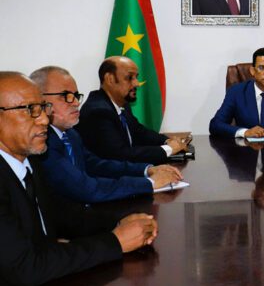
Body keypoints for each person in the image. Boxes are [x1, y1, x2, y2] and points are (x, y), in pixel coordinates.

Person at [0, 72, 158, 286]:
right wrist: (115, 242)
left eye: (43, 108)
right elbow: (27, 267)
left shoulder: (29, 160)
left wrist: (120, 222)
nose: (44, 119)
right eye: (30, 110)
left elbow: (60, 215)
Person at [30, 66, 182, 204]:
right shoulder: (42, 142)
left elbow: (96, 165)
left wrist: (146, 170)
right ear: (39, 100)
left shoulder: (70, 134)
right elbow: (86, 188)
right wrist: (150, 183)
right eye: (66, 96)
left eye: (76, 95)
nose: (76, 103)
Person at [76, 57, 189, 165]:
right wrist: (169, 149)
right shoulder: (98, 112)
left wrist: (168, 141)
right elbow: (120, 155)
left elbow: (139, 132)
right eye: (129, 78)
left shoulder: (121, 103)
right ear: (110, 79)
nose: (137, 84)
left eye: (136, 77)